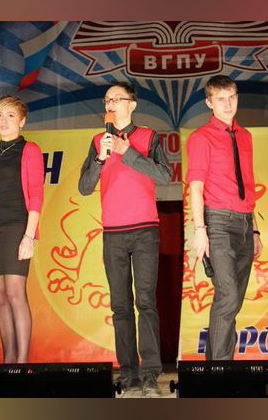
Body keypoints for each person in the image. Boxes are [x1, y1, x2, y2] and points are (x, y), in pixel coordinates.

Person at [78, 81, 171, 397]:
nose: (110, 103)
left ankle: (150, 374)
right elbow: (84, 187)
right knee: (120, 306)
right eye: (107, 99)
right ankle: (129, 374)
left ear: (133, 104)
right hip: (113, 232)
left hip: (145, 230)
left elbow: (164, 175)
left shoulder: (148, 136)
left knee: (146, 302)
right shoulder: (97, 141)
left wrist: (126, 152)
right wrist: (101, 158)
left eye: (117, 98)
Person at [186, 75, 263, 361]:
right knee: (228, 296)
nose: (227, 104)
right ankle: (219, 371)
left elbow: (248, 184)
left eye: (232, 97)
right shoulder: (201, 137)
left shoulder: (245, 135)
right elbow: (195, 187)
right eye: (220, 99)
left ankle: (217, 369)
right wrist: (200, 229)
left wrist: (255, 230)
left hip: (244, 222)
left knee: (233, 300)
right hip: (217, 222)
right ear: (209, 102)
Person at [0, 95, 45, 363]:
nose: (4, 121)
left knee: (15, 294)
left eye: (10, 115)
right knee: (0, 297)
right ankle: (8, 360)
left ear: (22, 121)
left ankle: (22, 364)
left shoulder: (30, 150)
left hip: (16, 226)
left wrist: (28, 237)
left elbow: (36, 195)